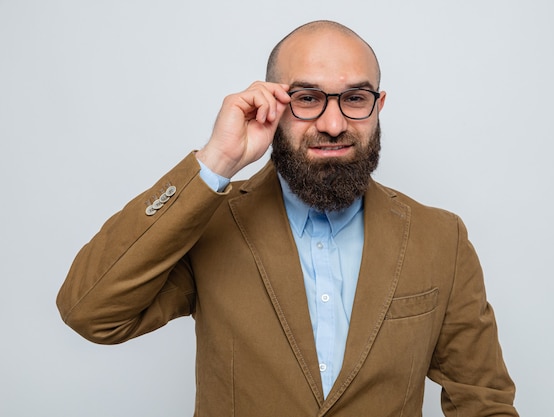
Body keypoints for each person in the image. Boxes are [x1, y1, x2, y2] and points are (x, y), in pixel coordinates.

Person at [57, 20, 519, 417]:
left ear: (378, 107)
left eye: (354, 98)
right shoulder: (211, 223)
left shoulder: (441, 238)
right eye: (307, 98)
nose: (334, 124)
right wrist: (216, 160)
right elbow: (90, 313)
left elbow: (484, 402)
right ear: (274, 105)